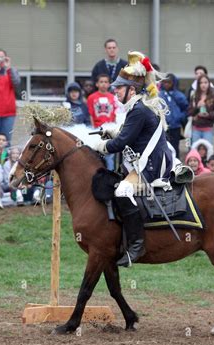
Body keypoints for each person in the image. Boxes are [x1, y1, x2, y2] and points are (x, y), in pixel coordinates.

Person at [92, 51, 172, 267]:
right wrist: (111, 132)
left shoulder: (138, 110)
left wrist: (99, 146)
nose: (115, 91)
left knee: (122, 190)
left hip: (151, 165)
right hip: (149, 161)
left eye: (119, 88)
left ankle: (137, 244)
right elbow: (128, 133)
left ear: (132, 89)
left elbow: (121, 144)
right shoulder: (137, 108)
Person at [159, 73, 189, 157]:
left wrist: (179, 117)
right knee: (163, 147)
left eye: (169, 82)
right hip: (163, 127)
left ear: (174, 83)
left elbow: (186, 109)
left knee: (175, 147)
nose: (166, 84)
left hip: (175, 126)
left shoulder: (179, 96)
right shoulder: (159, 95)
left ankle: (176, 166)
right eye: (164, 82)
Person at [188, 74, 214, 146]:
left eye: (205, 82)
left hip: (208, 128)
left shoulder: (213, 96)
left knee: (208, 149)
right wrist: (197, 107)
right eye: (201, 83)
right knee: (195, 149)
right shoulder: (194, 96)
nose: (203, 85)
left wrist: (208, 115)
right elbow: (189, 112)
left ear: (209, 83)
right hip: (196, 128)